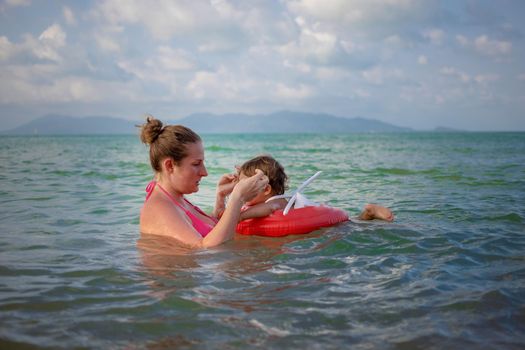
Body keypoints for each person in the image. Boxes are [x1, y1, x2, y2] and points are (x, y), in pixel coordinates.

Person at [138, 116, 269, 249]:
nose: (204, 172)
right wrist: (237, 198)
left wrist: (221, 196)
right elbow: (202, 249)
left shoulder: (175, 199)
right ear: (170, 166)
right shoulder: (160, 208)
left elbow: (210, 231)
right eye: (196, 164)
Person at [236, 155, 395, 222]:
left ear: (266, 190)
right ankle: (368, 214)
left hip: (327, 225)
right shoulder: (273, 200)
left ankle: (370, 212)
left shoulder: (275, 202)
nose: (240, 188)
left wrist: (239, 216)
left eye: (245, 184)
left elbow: (269, 208)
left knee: (356, 225)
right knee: (356, 223)